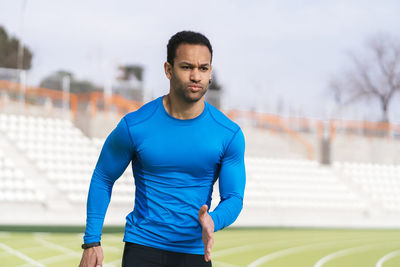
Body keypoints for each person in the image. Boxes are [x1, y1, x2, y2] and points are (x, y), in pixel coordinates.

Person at [79, 30, 246, 267]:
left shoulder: (228, 134)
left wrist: (213, 220)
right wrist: (91, 241)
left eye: (203, 68)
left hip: (195, 253)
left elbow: (234, 198)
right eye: (187, 67)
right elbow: (103, 177)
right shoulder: (135, 125)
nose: (196, 76)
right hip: (142, 249)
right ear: (169, 69)